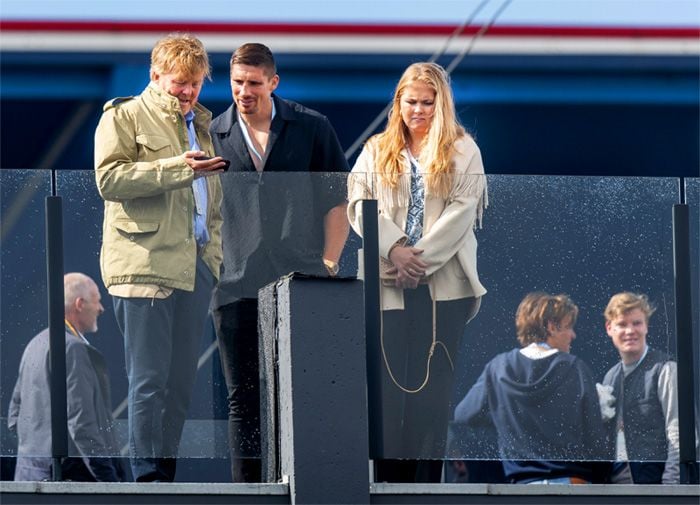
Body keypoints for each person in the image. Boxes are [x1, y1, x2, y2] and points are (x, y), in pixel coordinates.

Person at [209, 42, 350, 482]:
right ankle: (248, 490)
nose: (244, 92)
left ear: (273, 82)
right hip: (235, 284)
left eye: (253, 83)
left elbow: (337, 201)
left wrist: (328, 265)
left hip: (301, 280)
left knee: (302, 392)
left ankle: (302, 480)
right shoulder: (213, 132)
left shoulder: (312, 127)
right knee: (242, 399)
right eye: (237, 82)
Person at [347, 62, 487, 483]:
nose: (420, 110)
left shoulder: (464, 149)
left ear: (441, 103)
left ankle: (426, 487)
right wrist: (395, 249)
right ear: (399, 102)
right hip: (386, 282)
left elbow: (463, 212)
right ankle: (386, 484)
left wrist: (418, 259)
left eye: (429, 102)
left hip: (445, 286)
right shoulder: (376, 149)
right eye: (412, 102)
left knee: (434, 392)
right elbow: (358, 202)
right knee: (387, 390)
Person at [94, 33, 224, 482]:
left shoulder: (201, 124)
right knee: (148, 382)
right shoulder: (124, 115)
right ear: (155, 75)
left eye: (196, 83)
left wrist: (214, 259)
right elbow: (108, 180)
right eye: (180, 82)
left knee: (180, 387)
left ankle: (163, 475)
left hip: (194, 270)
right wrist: (178, 168)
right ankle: (147, 478)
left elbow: (213, 202)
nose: (188, 91)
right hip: (144, 269)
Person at [454, 292, 611, 484]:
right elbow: (597, 442)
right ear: (552, 327)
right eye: (569, 326)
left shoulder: (498, 368)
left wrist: (508, 421)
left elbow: (464, 415)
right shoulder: (575, 368)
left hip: (522, 491)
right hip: (572, 490)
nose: (573, 335)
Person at [8, 273, 125, 482]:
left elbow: (14, 416)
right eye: (97, 300)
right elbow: (82, 423)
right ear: (79, 304)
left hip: (30, 477)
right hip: (68, 481)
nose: (101, 308)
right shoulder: (73, 349)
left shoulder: (35, 344)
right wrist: (110, 481)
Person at [602, 292, 679, 484]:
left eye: (636, 323)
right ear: (609, 328)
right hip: (615, 489)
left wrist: (670, 489)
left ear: (646, 327)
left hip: (655, 489)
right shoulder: (610, 377)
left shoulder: (666, 369)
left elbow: (679, 435)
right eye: (622, 324)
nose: (630, 331)